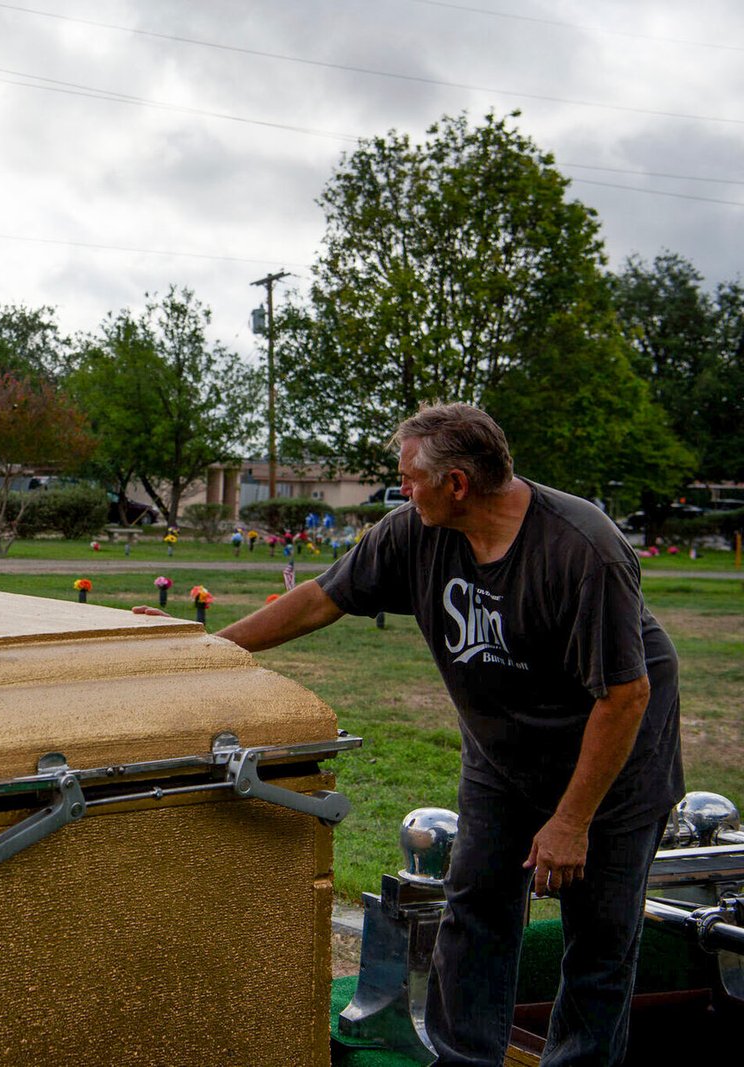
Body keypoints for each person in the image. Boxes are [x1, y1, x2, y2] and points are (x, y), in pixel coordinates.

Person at [175, 403, 683, 1066]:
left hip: (614, 760)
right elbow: (322, 598)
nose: (401, 489)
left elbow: (626, 694)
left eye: (410, 477)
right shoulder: (414, 532)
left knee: (599, 938)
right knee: (475, 916)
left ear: (459, 485)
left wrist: (570, 820)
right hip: (503, 757)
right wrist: (211, 648)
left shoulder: (580, 547)